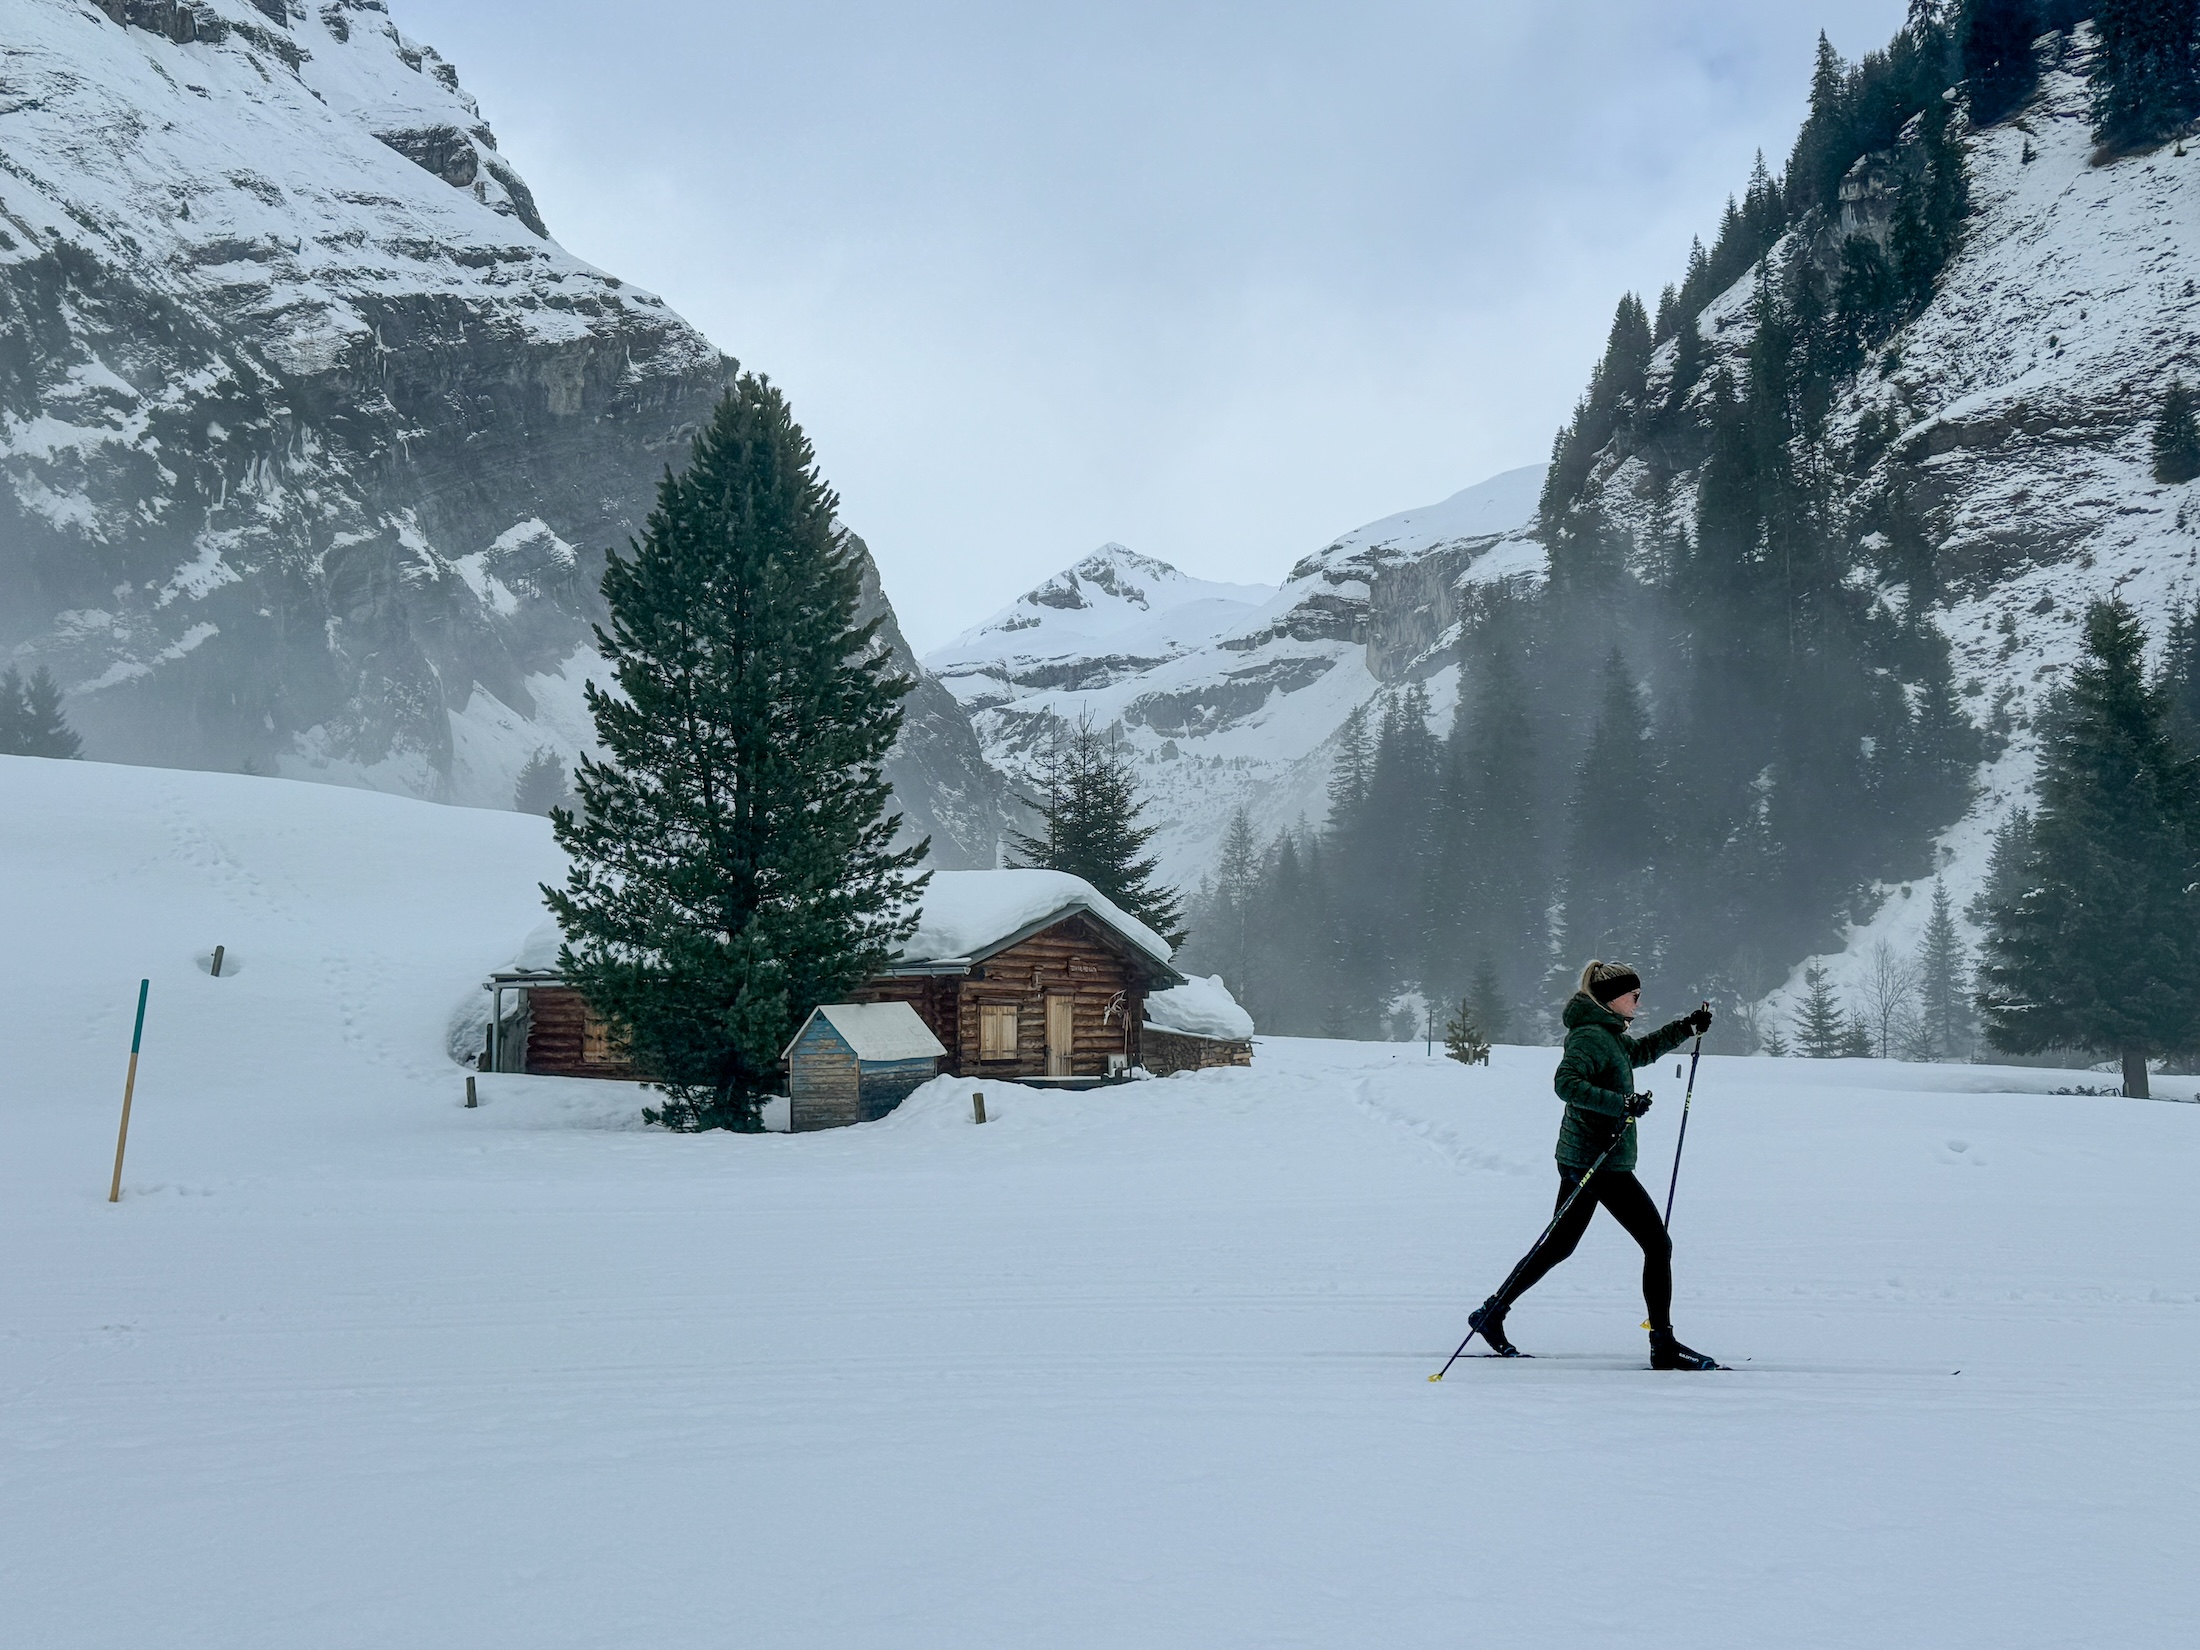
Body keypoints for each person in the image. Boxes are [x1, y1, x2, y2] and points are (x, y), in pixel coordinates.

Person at [1466, 960, 1720, 1370]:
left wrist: (1686, 1027)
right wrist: (1619, 1103)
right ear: (1610, 998)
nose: (1639, 1000)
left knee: (1559, 1245)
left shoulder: (1609, 1036)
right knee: (1657, 1244)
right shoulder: (1588, 1037)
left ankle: (1492, 1312)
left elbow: (1639, 1053)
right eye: (1633, 994)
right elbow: (1565, 1084)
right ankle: (1664, 1344)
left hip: (1587, 1157)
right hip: (1597, 1161)